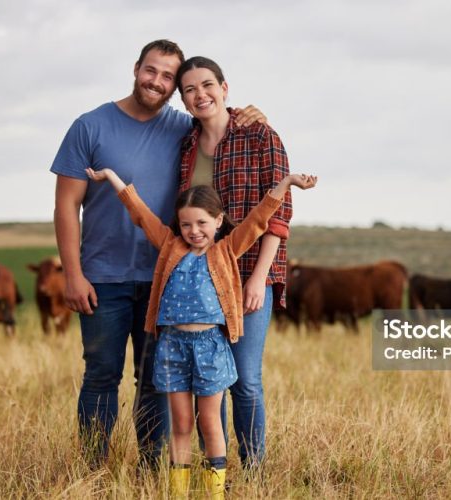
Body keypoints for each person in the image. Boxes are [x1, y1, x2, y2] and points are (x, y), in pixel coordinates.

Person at [50, 39, 265, 469]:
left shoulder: (181, 128)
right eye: (152, 71)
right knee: (100, 376)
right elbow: (65, 206)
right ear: (135, 69)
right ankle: (94, 468)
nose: (158, 81)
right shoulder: (89, 126)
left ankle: (150, 468)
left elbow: (218, 117)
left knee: (155, 382)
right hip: (102, 277)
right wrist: (72, 274)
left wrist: (249, 114)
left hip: (165, 280)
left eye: (169, 77)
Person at [85, 166, 317, 498]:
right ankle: (178, 492)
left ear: (219, 221)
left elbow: (258, 221)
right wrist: (110, 177)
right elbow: (140, 214)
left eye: (202, 223)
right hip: (172, 347)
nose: (194, 231)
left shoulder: (225, 251)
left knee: (209, 423)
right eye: (186, 224)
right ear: (178, 226)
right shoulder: (169, 246)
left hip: (210, 347)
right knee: (180, 425)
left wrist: (287, 183)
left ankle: (215, 492)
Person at [175, 56, 293, 468]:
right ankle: (217, 467)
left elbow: (278, 216)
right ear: (184, 100)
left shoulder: (260, 135)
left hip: (249, 275)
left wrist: (258, 279)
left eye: (207, 84)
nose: (200, 94)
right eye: (189, 89)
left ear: (225, 87)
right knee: (211, 381)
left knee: (245, 379)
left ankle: (255, 468)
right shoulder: (187, 145)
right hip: (203, 280)